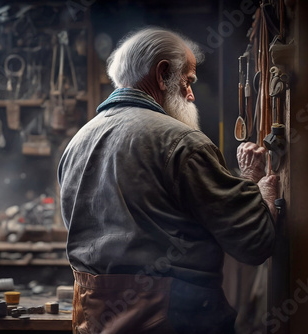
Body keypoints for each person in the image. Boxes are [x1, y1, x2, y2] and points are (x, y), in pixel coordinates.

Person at [58, 27, 278, 334]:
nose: (190, 94)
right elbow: (254, 244)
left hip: (94, 321)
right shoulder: (183, 142)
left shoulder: (78, 142)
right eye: (187, 81)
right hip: (173, 320)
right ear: (163, 74)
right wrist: (258, 188)